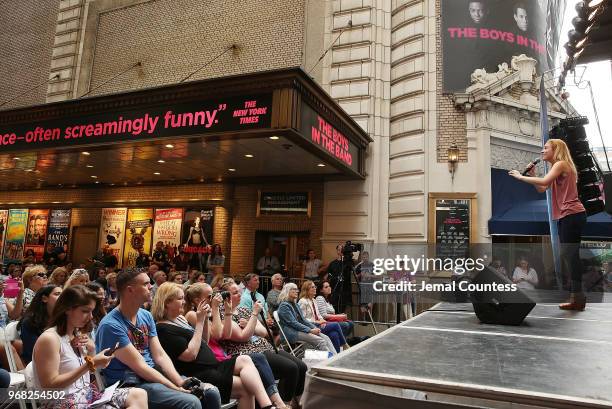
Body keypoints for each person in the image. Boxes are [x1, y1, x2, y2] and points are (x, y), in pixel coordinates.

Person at [95, 269, 220, 409]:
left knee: (211, 393)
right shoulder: (111, 325)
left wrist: (179, 381)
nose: (151, 287)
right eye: (146, 284)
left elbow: (160, 355)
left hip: (153, 376)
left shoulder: (145, 316)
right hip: (130, 384)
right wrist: (175, 386)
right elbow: (141, 367)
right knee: (191, 402)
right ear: (130, 290)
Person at [153, 283, 283, 409]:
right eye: (180, 299)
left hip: (214, 365)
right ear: (167, 303)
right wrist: (200, 321)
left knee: (247, 359)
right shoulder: (163, 328)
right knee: (246, 387)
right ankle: (270, 405)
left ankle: (267, 405)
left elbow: (203, 340)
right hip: (199, 372)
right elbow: (190, 355)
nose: (183, 302)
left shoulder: (179, 319)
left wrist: (204, 320)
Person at [33, 285, 148, 409]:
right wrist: (91, 363)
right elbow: (49, 385)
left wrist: (93, 352)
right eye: (85, 311)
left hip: (86, 398)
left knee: (138, 394)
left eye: (91, 311)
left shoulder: (77, 334)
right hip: (63, 404)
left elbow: (89, 372)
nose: (91, 316)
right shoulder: (49, 339)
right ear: (67, 309)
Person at [509, 139, 587, 310]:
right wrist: (532, 174)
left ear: (556, 149)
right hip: (567, 215)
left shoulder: (561, 164)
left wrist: (521, 177)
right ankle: (577, 297)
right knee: (569, 256)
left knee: (571, 256)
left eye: (546, 148)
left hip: (572, 214)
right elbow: (542, 188)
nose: (542, 151)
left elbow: (543, 182)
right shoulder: (556, 168)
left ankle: (578, 298)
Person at [215, 281, 306, 407]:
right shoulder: (223, 313)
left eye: (239, 292)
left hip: (263, 345)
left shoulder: (243, 310)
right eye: (235, 293)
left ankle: (296, 402)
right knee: (291, 368)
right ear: (226, 296)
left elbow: (263, 332)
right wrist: (254, 316)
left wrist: (249, 324)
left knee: (302, 366)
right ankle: (284, 404)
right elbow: (242, 337)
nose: (240, 295)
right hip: (249, 351)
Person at [276, 283, 336, 355]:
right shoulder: (284, 306)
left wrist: (314, 328)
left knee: (325, 337)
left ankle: (335, 358)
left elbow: (303, 320)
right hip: (291, 333)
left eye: (297, 289)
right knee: (320, 341)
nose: (297, 291)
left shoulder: (295, 304)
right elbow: (293, 323)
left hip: (299, 330)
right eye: (294, 289)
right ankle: (329, 362)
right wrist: (310, 330)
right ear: (287, 291)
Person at [298, 281, 349, 353]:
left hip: (318, 324)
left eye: (315, 287)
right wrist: (317, 321)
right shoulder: (302, 301)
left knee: (334, 334)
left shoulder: (313, 300)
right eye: (312, 287)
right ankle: (344, 344)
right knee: (335, 325)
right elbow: (302, 319)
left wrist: (322, 321)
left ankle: (336, 356)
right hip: (311, 327)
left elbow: (318, 315)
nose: (315, 289)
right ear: (307, 289)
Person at [18, 285, 63, 364]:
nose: (62, 297)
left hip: (60, 360)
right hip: (41, 364)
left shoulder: (63, 319)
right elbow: (33, 352)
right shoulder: (29, 322)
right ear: (44, 298)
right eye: (57, 294)